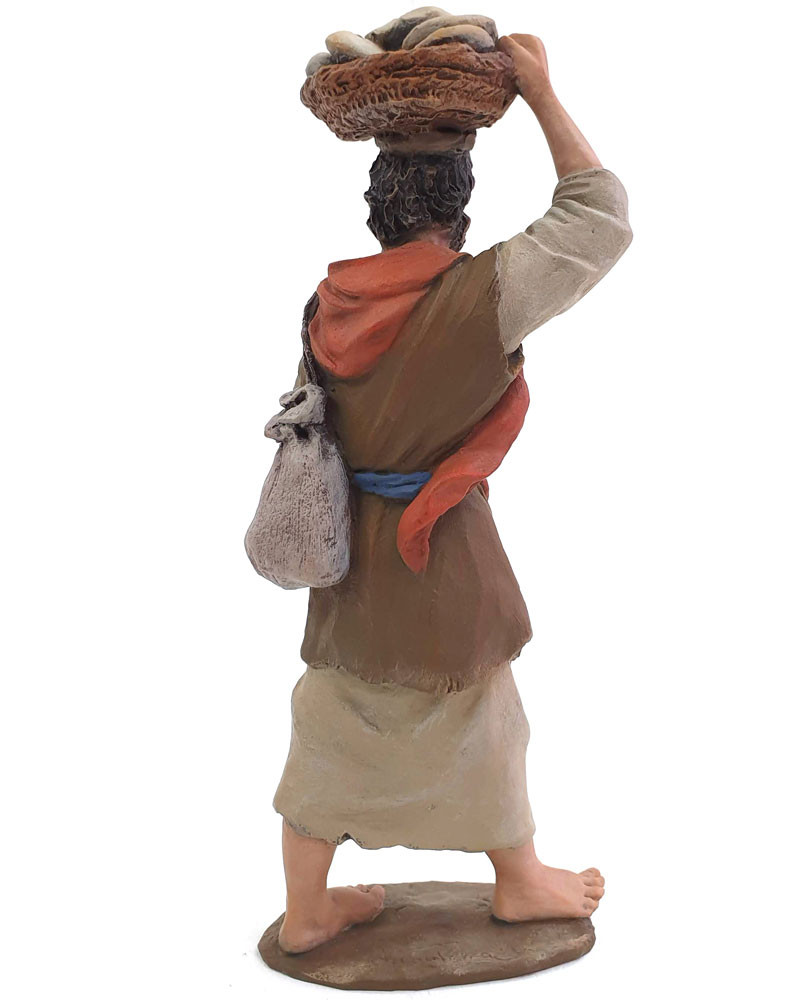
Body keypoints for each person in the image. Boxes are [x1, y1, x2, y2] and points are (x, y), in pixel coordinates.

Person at [272, 34, 633, 954]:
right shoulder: (488, 294)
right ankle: (521, 881)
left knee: (330, 722)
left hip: (348, 562)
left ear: (376, 205)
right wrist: (541, 92)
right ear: (459, 205)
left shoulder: (326, 304)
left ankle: (307, 910)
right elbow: (599, 217)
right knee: (483, 718)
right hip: (441, 558)